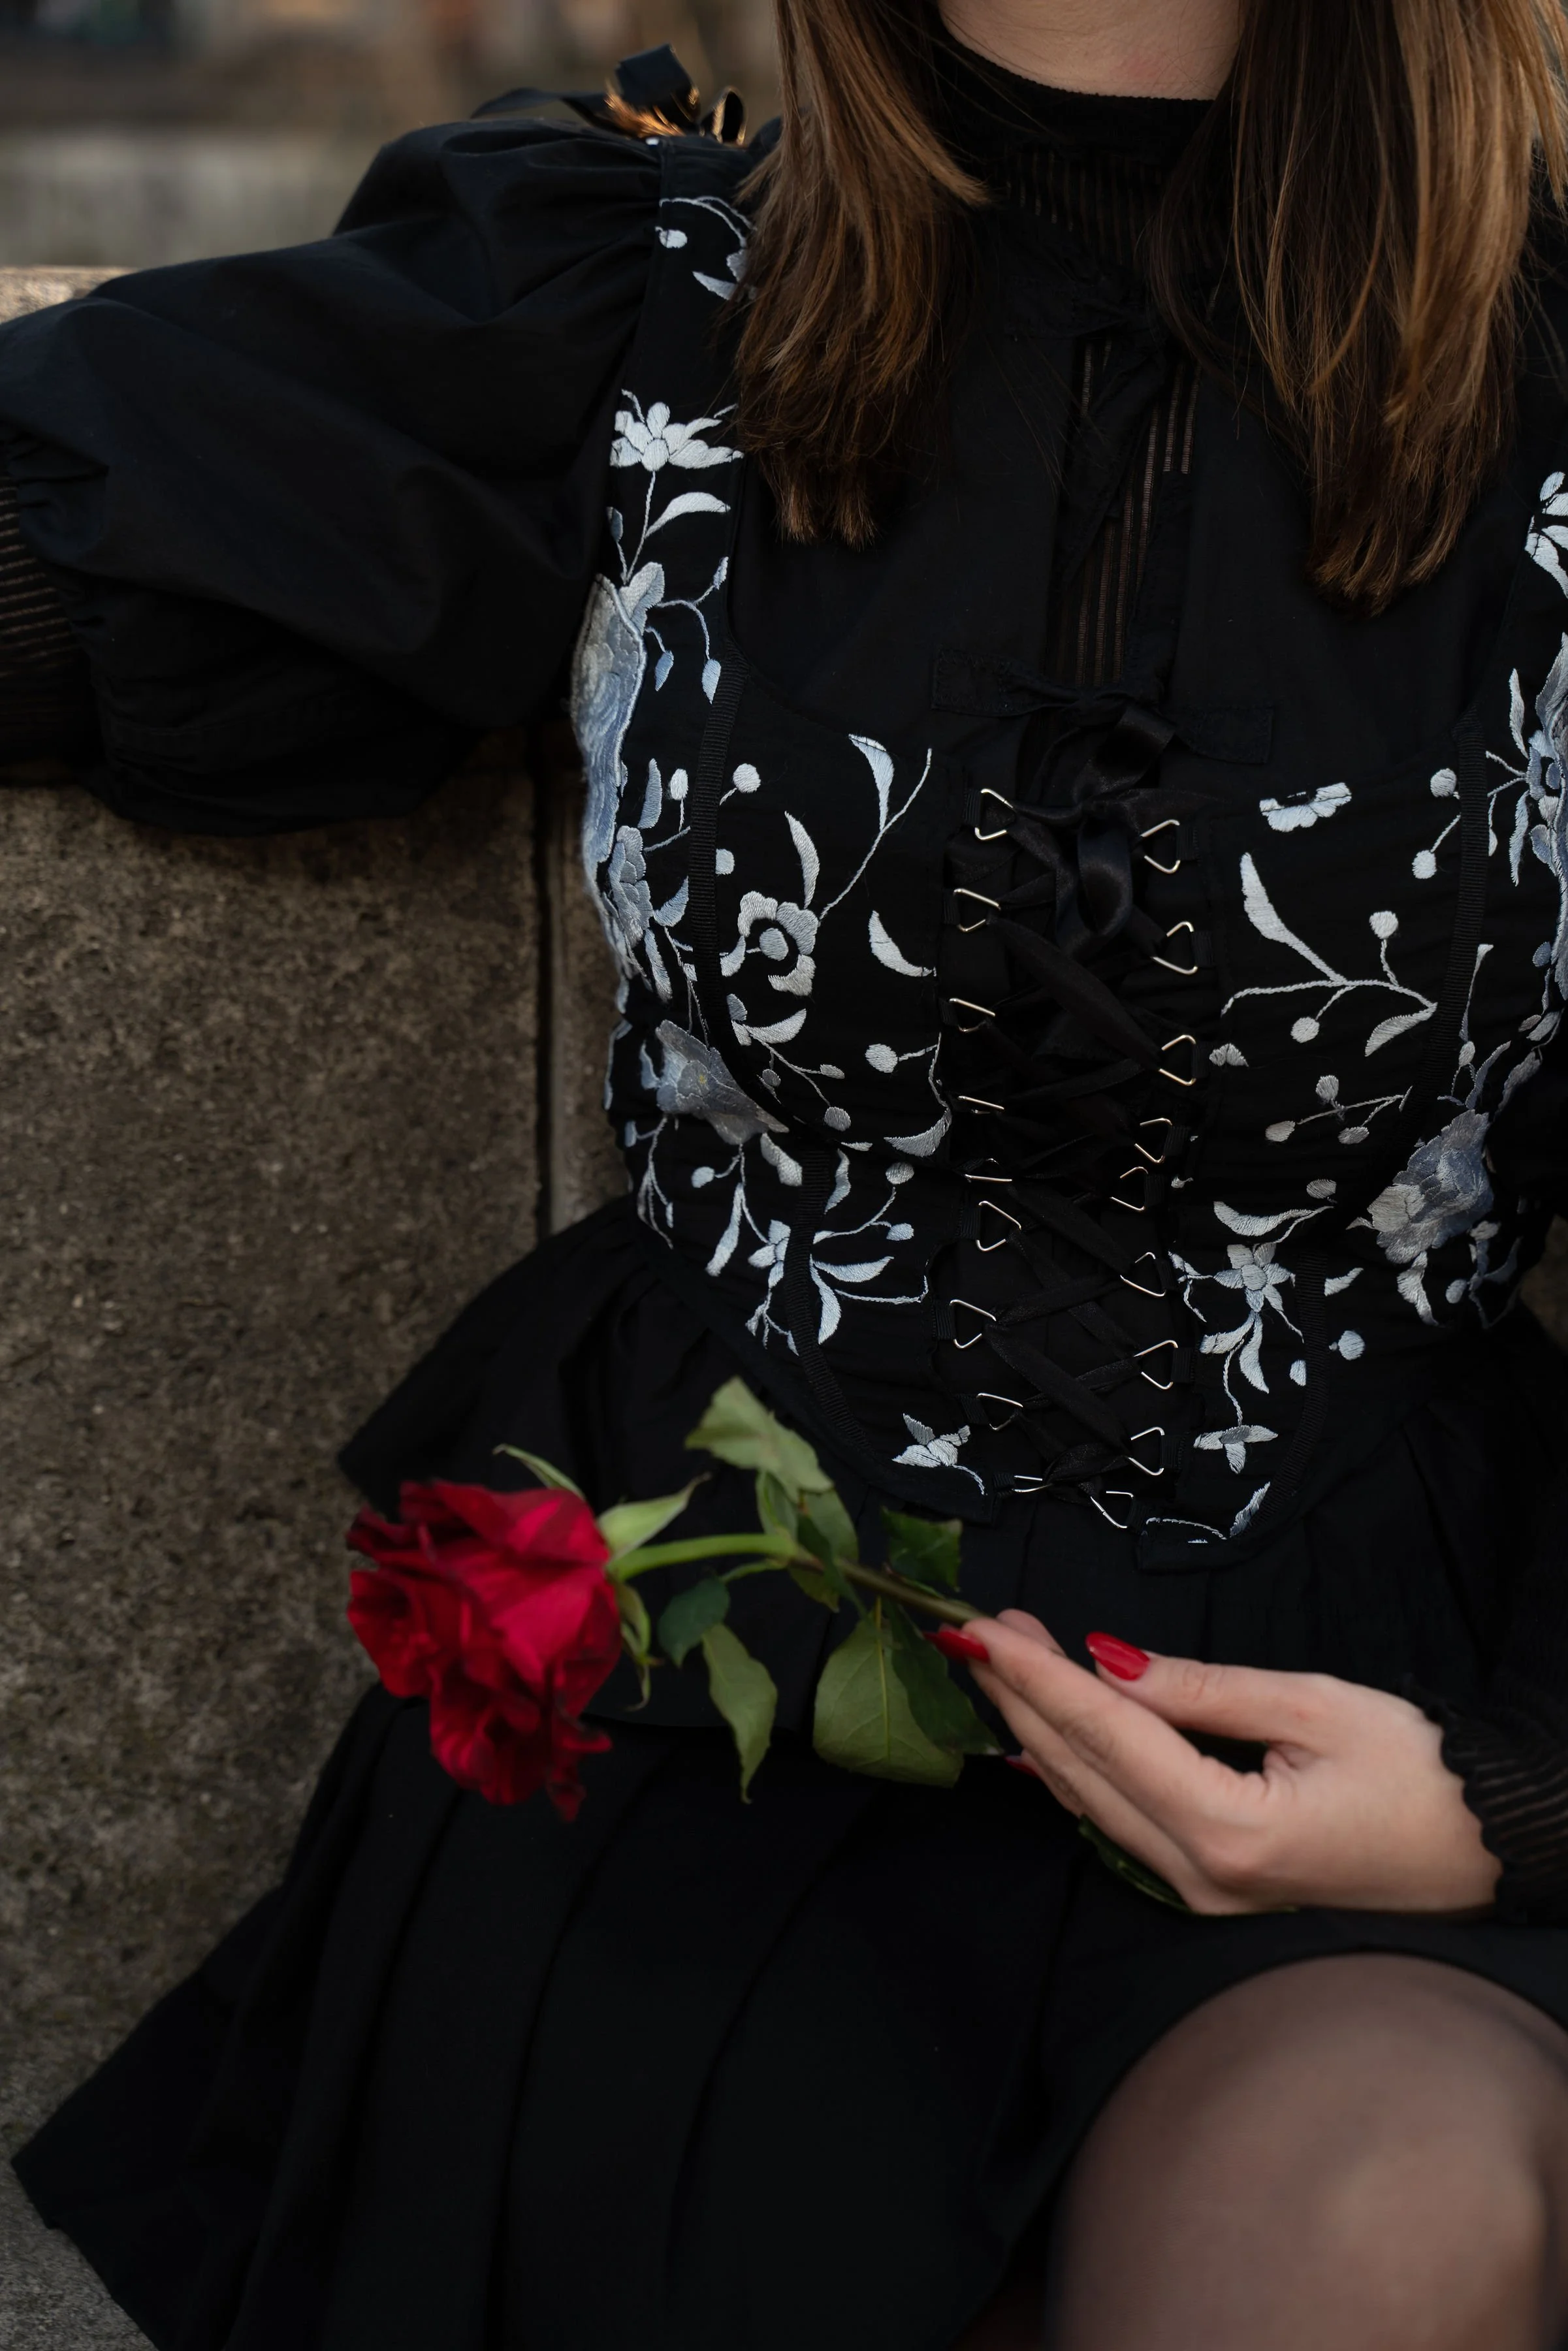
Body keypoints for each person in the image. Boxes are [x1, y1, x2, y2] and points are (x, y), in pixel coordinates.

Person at [4, 0, 1568, 2343]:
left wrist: (1525, 1808)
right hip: (700, 1719)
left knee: (1377, 2219)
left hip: (1377, 1731)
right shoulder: (632, 286)